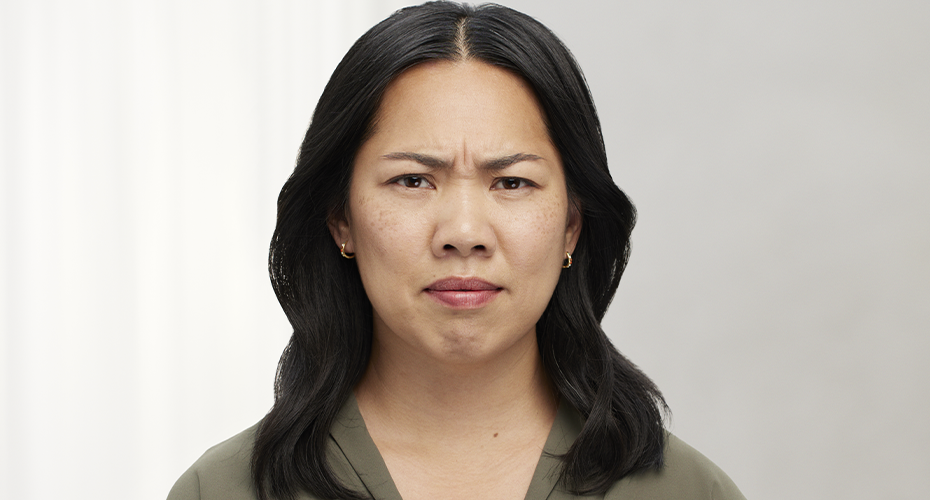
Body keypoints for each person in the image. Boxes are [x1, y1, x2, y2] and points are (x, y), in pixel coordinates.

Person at [168, 2, 746, 499]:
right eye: (413, 180)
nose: (464, 232)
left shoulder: (691, 491)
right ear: (340, 218)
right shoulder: (223, 490)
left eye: (512, 182)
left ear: (573, 225)